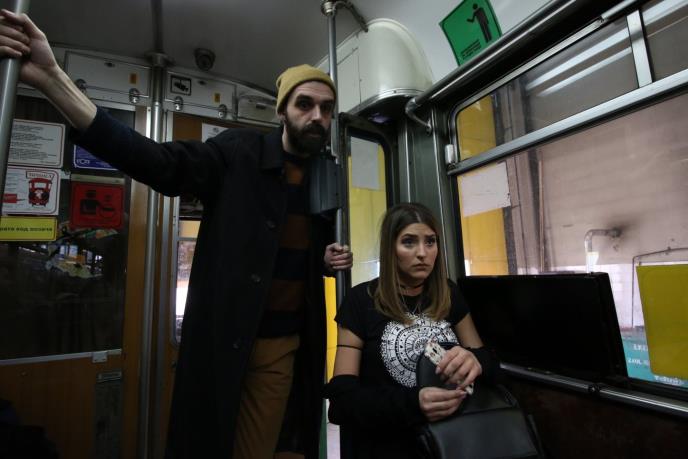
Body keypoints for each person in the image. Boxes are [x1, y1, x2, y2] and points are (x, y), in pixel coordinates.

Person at [0, 10, 353, 459]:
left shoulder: (326, 177)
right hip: (222, 336)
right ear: (282, 110)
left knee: (259, 449)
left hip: (282, 346)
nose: (317, 116)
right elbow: (160, 164)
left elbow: (297, 250)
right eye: (305, 104)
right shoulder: (237, 154)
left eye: (326, 108)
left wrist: (324, 261)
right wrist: (53, 80)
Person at [325, 202, 497, 458]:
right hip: (390, 446)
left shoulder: (448, 293)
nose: (422, 253)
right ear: (390, 249)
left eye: (430, 242)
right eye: (409, 242)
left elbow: (489, 363)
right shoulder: (361, 300)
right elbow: (341, 402)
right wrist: (413, 403)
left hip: (456, 441)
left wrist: (475, 361)